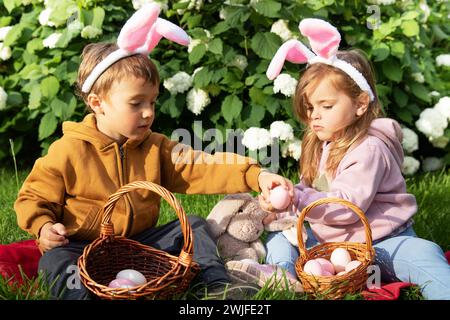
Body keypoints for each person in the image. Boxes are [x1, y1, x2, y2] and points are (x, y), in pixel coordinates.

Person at [13, 4, 293, 300]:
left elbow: (201, 165)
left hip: (140, 245)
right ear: (98, 103)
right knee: (54, 261)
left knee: (194, 226)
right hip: (82, 247)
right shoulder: (68, 150)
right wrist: (44, 227)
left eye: (153, 102)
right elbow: (33, 197)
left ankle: (216, 285)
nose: (148, 113)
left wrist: (255, 175)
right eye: (136, 103)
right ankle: (81, 297)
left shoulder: (155, 147)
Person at [228, 18, 450, 300]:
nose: (314, 115)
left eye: (326, 106)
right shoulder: (325, 143)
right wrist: (284, 205)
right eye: (309, 107)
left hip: (382, 242)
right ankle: (283, 272)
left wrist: (297, 197)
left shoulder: (369, 149)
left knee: (420, 254)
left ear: (359, 104)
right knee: (281, 238)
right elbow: (315, 191)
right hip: (332, 244)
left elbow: (344, 207)